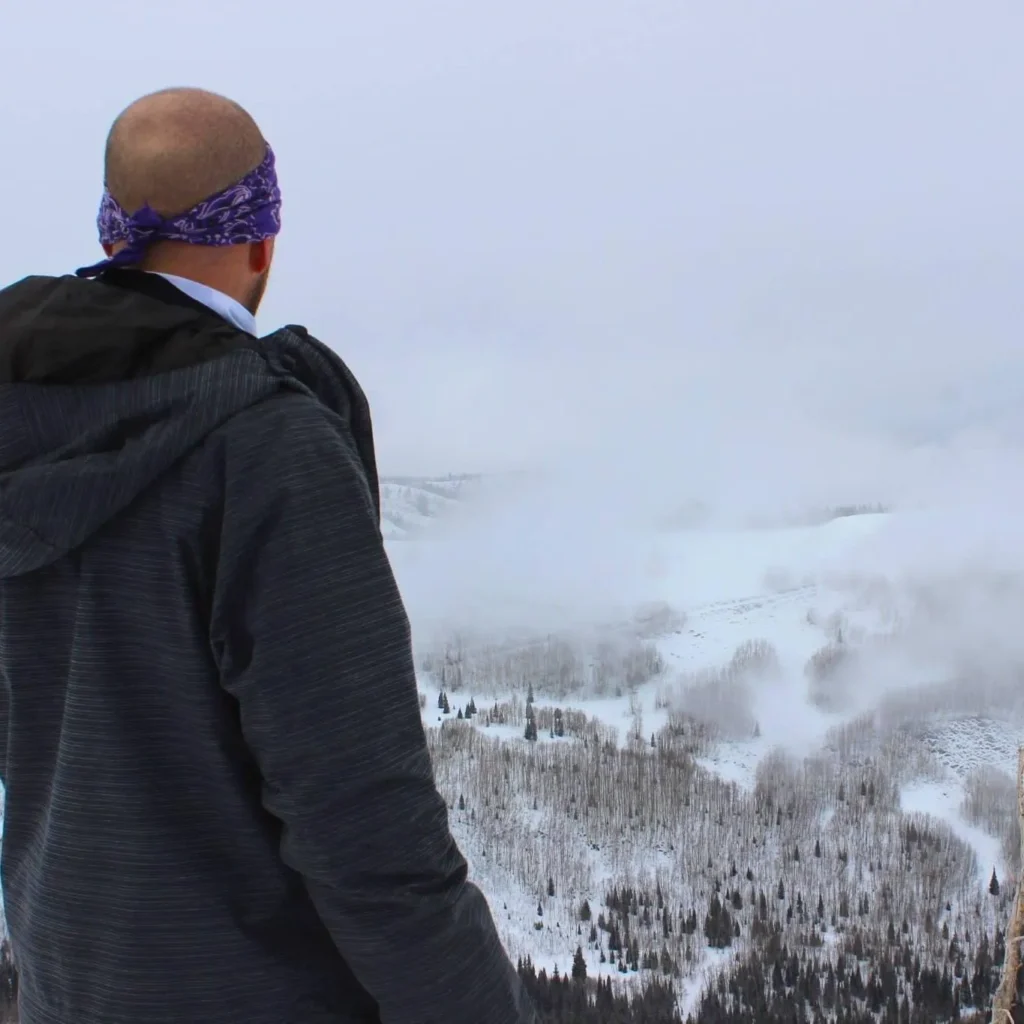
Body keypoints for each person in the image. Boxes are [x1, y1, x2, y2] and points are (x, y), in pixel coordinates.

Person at [0, 88, 536, 1024]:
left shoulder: (20, 418)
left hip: (70, 981)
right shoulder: (264, 447)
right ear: (261, 239)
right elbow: (368, 833)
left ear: (112, 228)